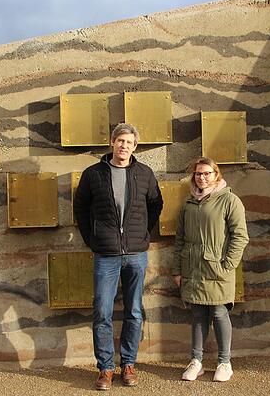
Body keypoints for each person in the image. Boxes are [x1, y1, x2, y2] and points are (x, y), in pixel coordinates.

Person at [74, 123, 163, 391]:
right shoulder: (93, 174)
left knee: (134, 311)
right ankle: (105, 368)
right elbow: (80, 208)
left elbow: (156, 205)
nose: (124, 146)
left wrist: (140, 235)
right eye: (120, 141)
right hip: (106, 254)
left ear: (135, 146)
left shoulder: (145, 174)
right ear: (112, 143)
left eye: (129, 142)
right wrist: (93, 239)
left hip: (136, 254)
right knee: (102, 310)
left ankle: (128, 364)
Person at [171, 157, 249, 382]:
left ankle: (225, 362)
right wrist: (177, 270)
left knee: (218, 312)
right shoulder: (188, 204)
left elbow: (240, 236)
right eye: (198, 174)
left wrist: (228, 265)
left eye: (207, 173)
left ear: (217, 175)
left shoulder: (229, 200)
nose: (202, 177)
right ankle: (196, 361)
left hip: (218, 269)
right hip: (193, 268)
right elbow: (180, 240)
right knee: (197, 314)